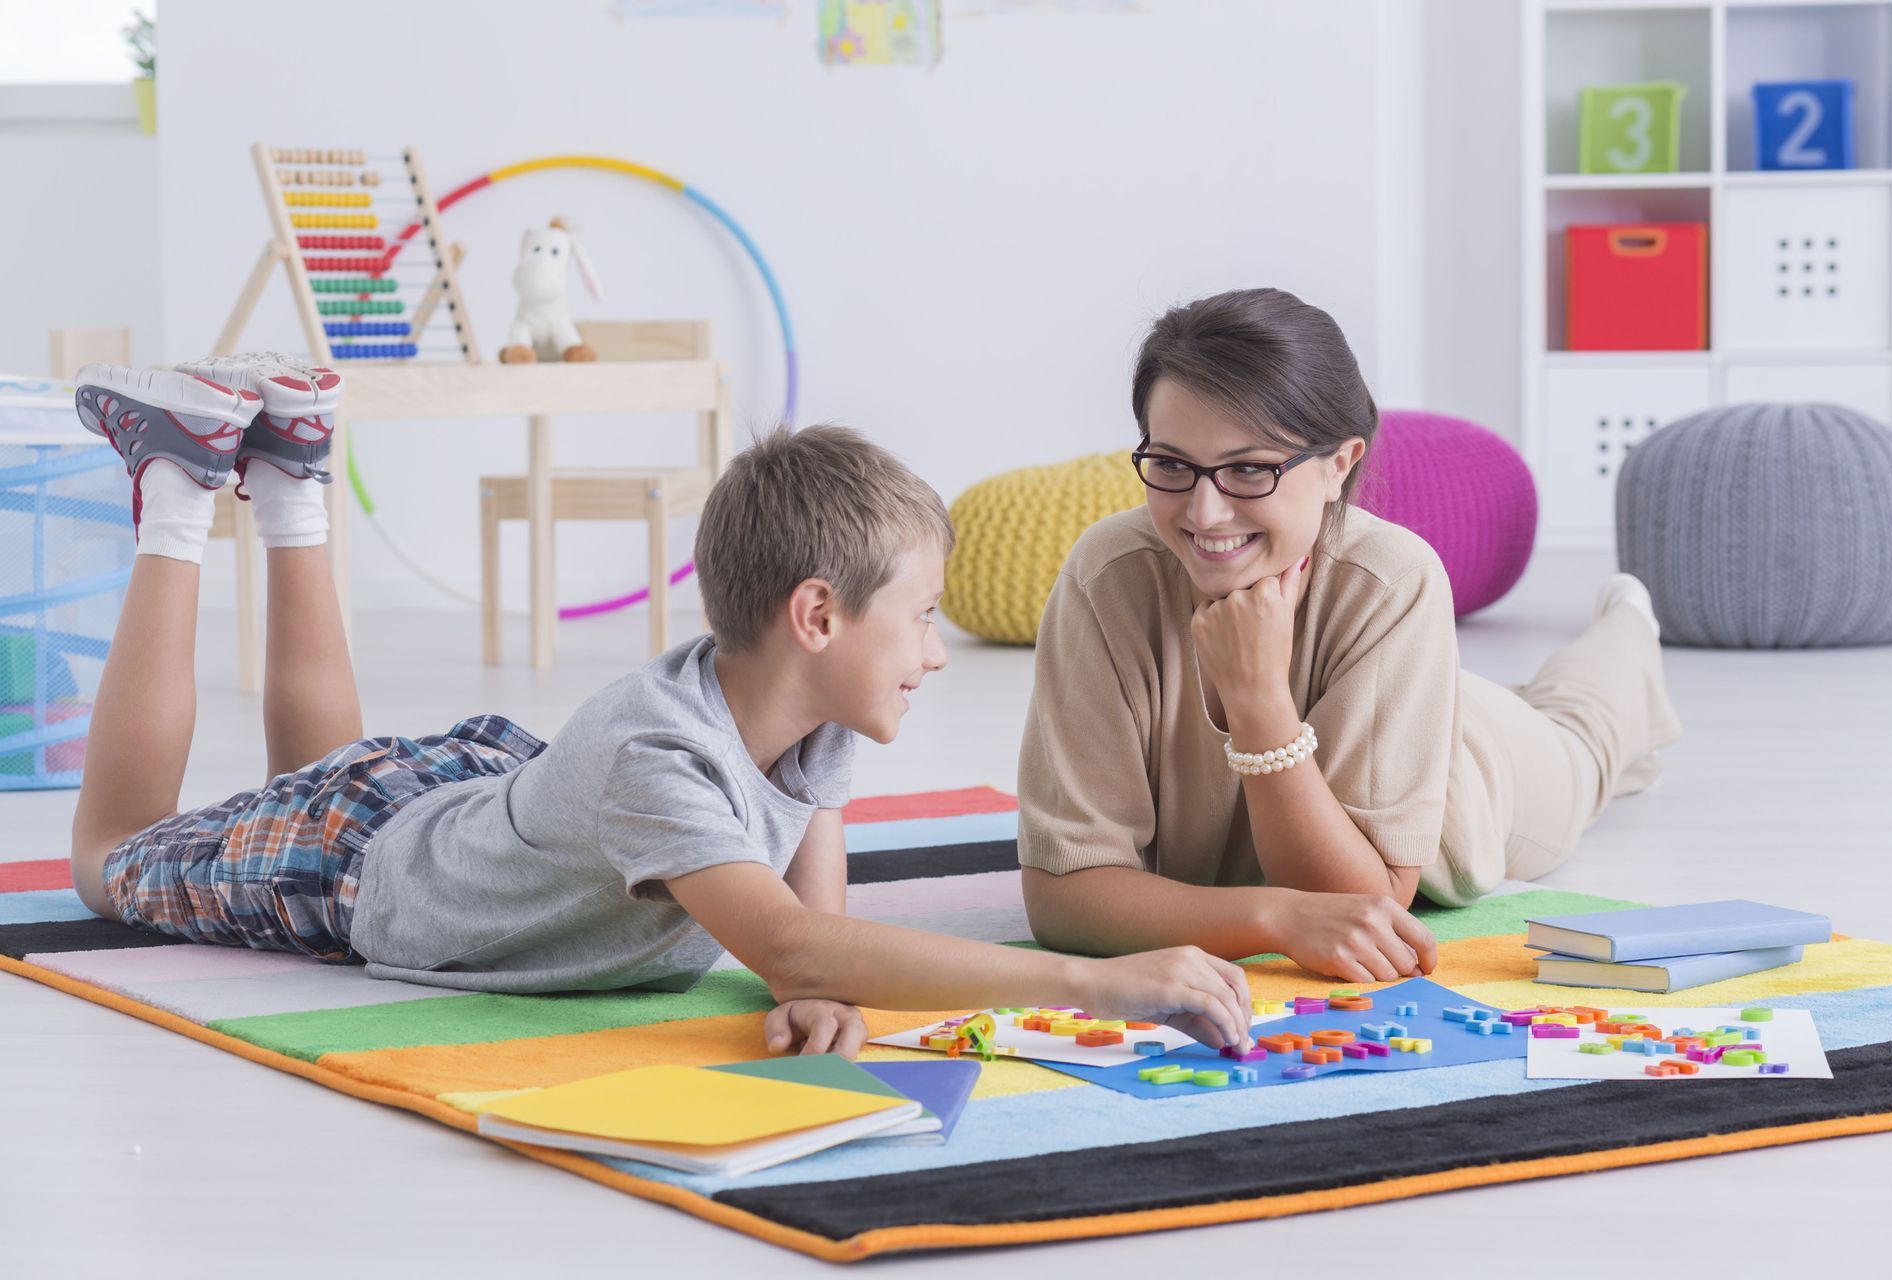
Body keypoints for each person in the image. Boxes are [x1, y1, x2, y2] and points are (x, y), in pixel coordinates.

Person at [69, 358, 1253, 1059]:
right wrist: (1097, 981)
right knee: (107, 860)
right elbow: (790, 941)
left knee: (324, 761)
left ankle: (291, 470)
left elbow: (815, 939)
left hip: (488, 793)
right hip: (361, 867)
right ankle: (180, 485)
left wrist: (824, 993)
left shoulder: (813, 712)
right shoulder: (661, 755)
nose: (938, 653)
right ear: (817, 614)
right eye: (923, 616)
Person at [1017, 289, 1681, 983]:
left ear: (1339, 464)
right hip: (1386, 697)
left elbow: (1359, 904)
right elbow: (1064, 895)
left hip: (1474, 779)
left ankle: (1628, 624)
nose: (1205, 512)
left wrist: (1259, 703)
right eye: (1173, 465)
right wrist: (1269, 920)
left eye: (1249, 469)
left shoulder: (1392, 580)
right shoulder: (1107, 577)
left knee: (1588, 731)